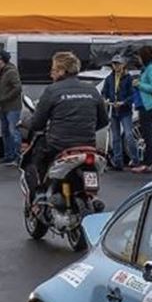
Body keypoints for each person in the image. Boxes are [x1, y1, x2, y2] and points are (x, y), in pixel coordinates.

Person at [24, 51, 108, 200]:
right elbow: (104, 120)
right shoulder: (92, 90)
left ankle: (40, 196)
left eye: (54, 70)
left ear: (63, 71)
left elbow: (37, 123)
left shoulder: (52, 90)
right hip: (88, 145)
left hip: (59, 146)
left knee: (35, 162)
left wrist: (26, 124)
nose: (51, 74)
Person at [101, 54, 139, 170]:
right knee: (115, 137)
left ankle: (135, 158)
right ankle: (118, 162)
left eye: (118, 64)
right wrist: (106, 100)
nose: (116, 66)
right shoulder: (109, 78)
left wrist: (124, 102)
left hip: (125, 111)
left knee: (128, 134)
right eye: (114, 64)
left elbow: (133, 95)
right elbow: (104, 92)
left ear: (123, 65)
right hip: (113, 110)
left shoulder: (128, 78)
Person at [133, 45, 152, 173]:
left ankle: (147, 162)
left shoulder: (151, 69)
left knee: (147, 135)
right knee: (147, 133)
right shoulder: (148, 68)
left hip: (148, 104)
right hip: (144, 104)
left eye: (139, 56)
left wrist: (139, 84)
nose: (138, 59)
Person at [0, 50, 23, 166]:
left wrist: (5, 97)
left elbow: (17, 87)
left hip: (12, 107)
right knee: (5, 132)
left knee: (13, 131)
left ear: (2, 60)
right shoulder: (3, 72)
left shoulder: (11, 72)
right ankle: (8, 155)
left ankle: (17, 157)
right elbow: (3, 90)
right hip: (4, 107)